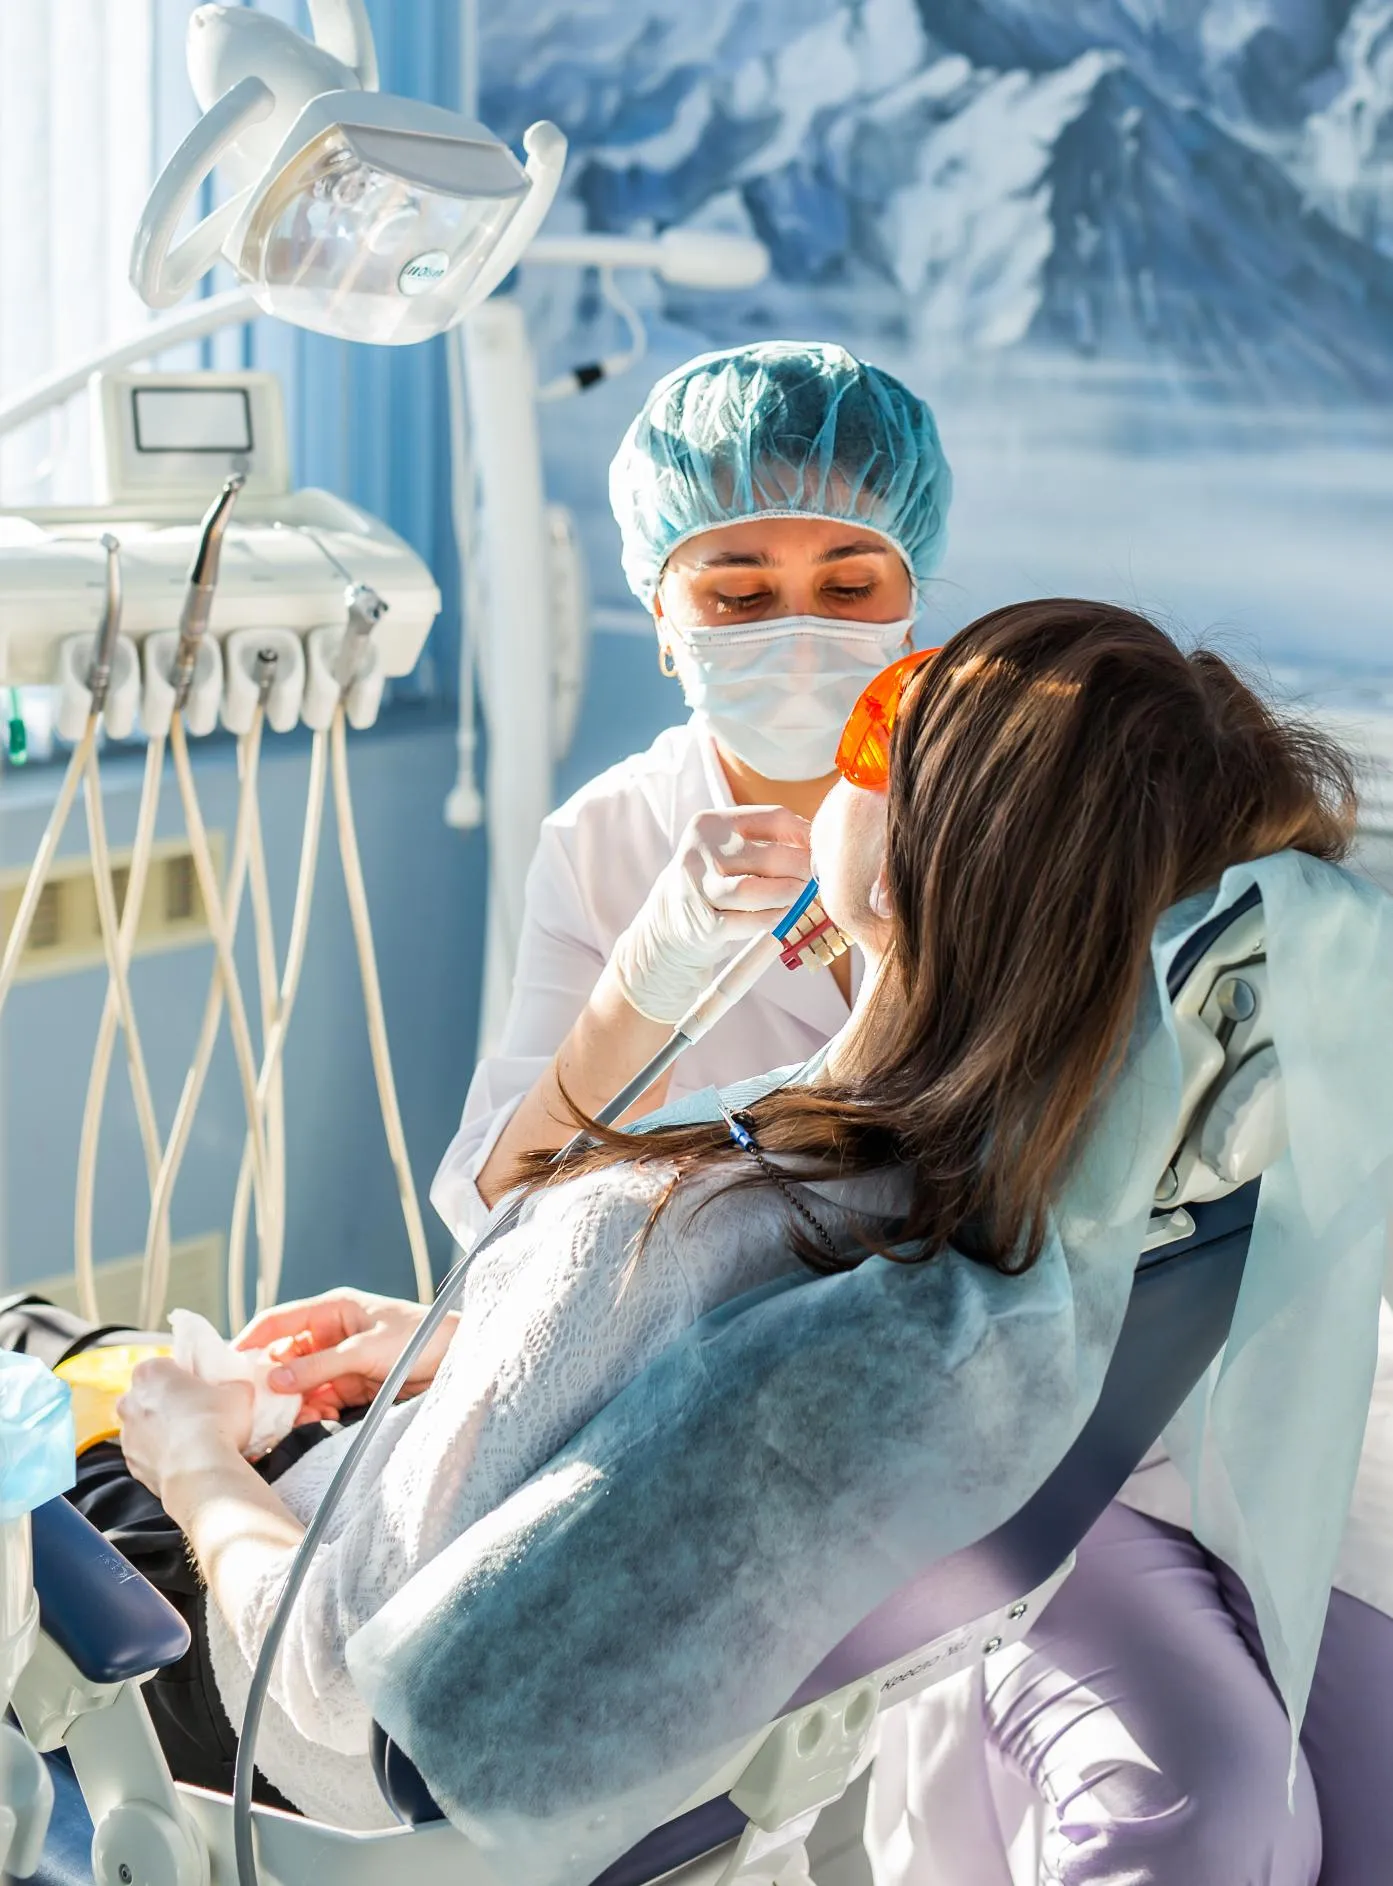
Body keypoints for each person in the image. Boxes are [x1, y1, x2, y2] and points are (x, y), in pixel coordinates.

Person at [7, 603, 1384, 1886]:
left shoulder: (680, 1222)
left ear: (910, 870)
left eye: (881, 725)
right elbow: (657, 1426)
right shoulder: (1046, 1266)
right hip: (551, 1684)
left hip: (223, 1637)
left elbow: (320, 1699)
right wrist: (478, 1350)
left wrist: (189, 1454)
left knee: (50, 1361)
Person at [430, 338, 952, 1238]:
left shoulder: (998, 802)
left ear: (910, 607)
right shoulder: (602, 841)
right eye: (740, 598)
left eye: (848, 586)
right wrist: (647, 979)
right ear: (663, 621)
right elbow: (498, 1215)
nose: (796, 638)